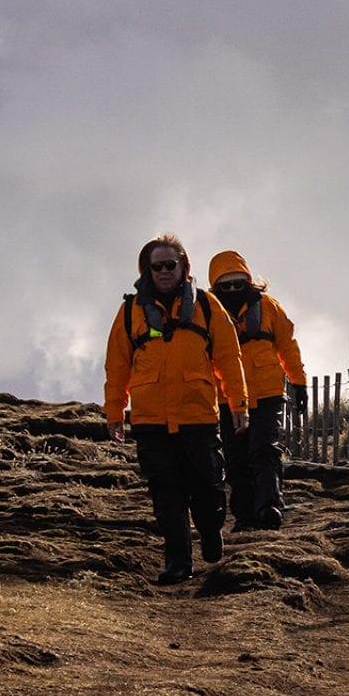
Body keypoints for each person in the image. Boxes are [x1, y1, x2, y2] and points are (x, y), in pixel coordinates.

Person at [104, 234, 250, 584]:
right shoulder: (129, 312)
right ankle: (178, 563)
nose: (165, 271)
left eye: (171, 264)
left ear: (184, 266)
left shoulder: (207, 305)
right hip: (150, 420)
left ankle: (211, 530)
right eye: (157, 266)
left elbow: (229, 358)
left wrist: (238, 403)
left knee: (208, 488)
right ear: (147, 270)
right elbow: (117, 365)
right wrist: (114, 412)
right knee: (166, 493)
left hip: (198, 416)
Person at [209, 250, 306, 532]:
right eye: (225, 286)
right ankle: (245, 517)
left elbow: (288, 346)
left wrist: (299, 382)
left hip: (267, 394)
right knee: (235, 459)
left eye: (238, 284)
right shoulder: (207, 313)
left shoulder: (269, 307)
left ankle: (269, 508)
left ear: (249, 281)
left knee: (265, 450)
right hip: (226, 398)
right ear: (215, 287)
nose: (232, 290)